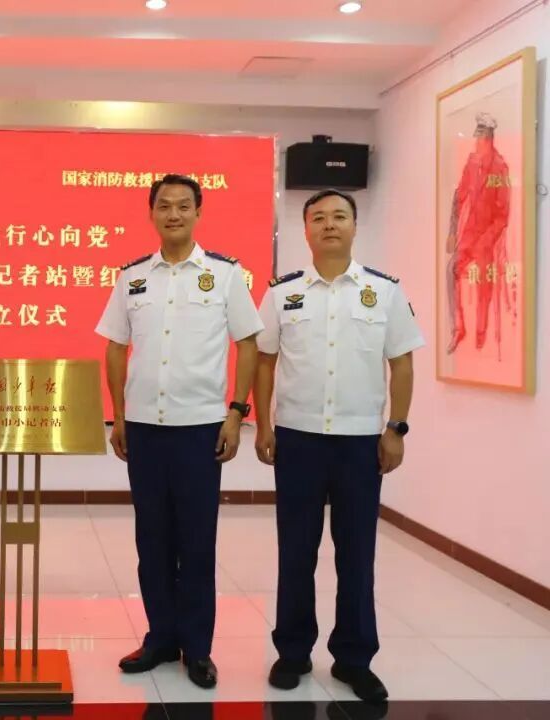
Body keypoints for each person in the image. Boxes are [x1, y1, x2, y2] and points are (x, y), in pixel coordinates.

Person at [254, 189, 424, 703]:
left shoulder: (384, 292)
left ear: (354, 226)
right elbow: (264, 361)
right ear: (305, 229)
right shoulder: (282, 293)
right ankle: (292, 652)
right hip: (298, 440)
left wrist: (396, 428)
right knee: (296, 552)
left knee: (356, 555)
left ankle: (354, 658)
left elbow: (402, 363)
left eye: (340, 217)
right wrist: (263, 425)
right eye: (319, 218)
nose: (329, 225)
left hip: (359, 444)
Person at [96, 174, 263, 688]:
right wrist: (119, 415)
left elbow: (248, 344)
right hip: (145, 427)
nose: (173, 214)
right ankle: (160, 639)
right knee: (152, 539)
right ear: (151, 213)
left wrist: (236, 413)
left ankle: (198, 648)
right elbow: (115, 347)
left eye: (183, 206)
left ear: (198, 212)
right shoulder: (132, 278)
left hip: (200, 429)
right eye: (164, 206)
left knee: (196, 541)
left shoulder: (226, 275)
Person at [444, 112, 512, 355]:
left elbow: (503, 216)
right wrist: (452, 232)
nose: (476, 140)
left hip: (487, 237)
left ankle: (481, 332)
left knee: (484, 282)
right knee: (451, 270)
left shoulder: (500, 168)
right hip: (469, 235)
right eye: (476, 135)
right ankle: (458, 327)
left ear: (489, 137)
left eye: (480, 135)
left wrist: (486, 241)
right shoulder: (472, 163)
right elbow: (458, 198)